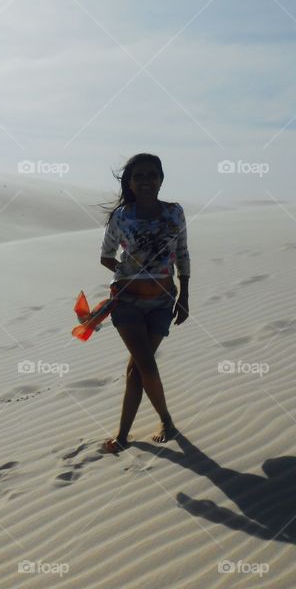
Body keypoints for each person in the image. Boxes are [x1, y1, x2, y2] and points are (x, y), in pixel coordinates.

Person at [97, 153, 189, 454]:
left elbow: (183, 254)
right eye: (139, 176)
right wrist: (129, 272)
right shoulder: (121, 217)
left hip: (162, 301)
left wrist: (185, 295)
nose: (146, 181)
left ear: (161, 179)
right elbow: (106, 255)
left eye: (152, 175)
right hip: (128, 302)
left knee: (138, 369)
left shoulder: (174, 213)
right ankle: (149, 426)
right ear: (130, 182)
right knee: (146, 364)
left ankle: (134, 431)